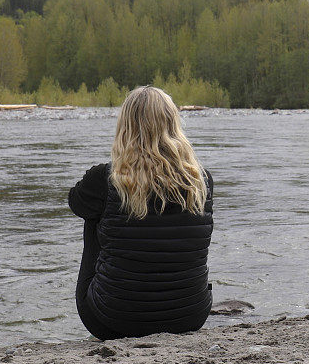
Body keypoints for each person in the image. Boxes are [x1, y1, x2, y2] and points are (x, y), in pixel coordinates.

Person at [68, 86, 214, 340]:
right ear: (172, 124)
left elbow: (76, 202)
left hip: (110, 321)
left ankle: (121, 294)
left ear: (125, 128)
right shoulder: (200, 180)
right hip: (189, 317)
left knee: (94, 214)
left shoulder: (106, 179)